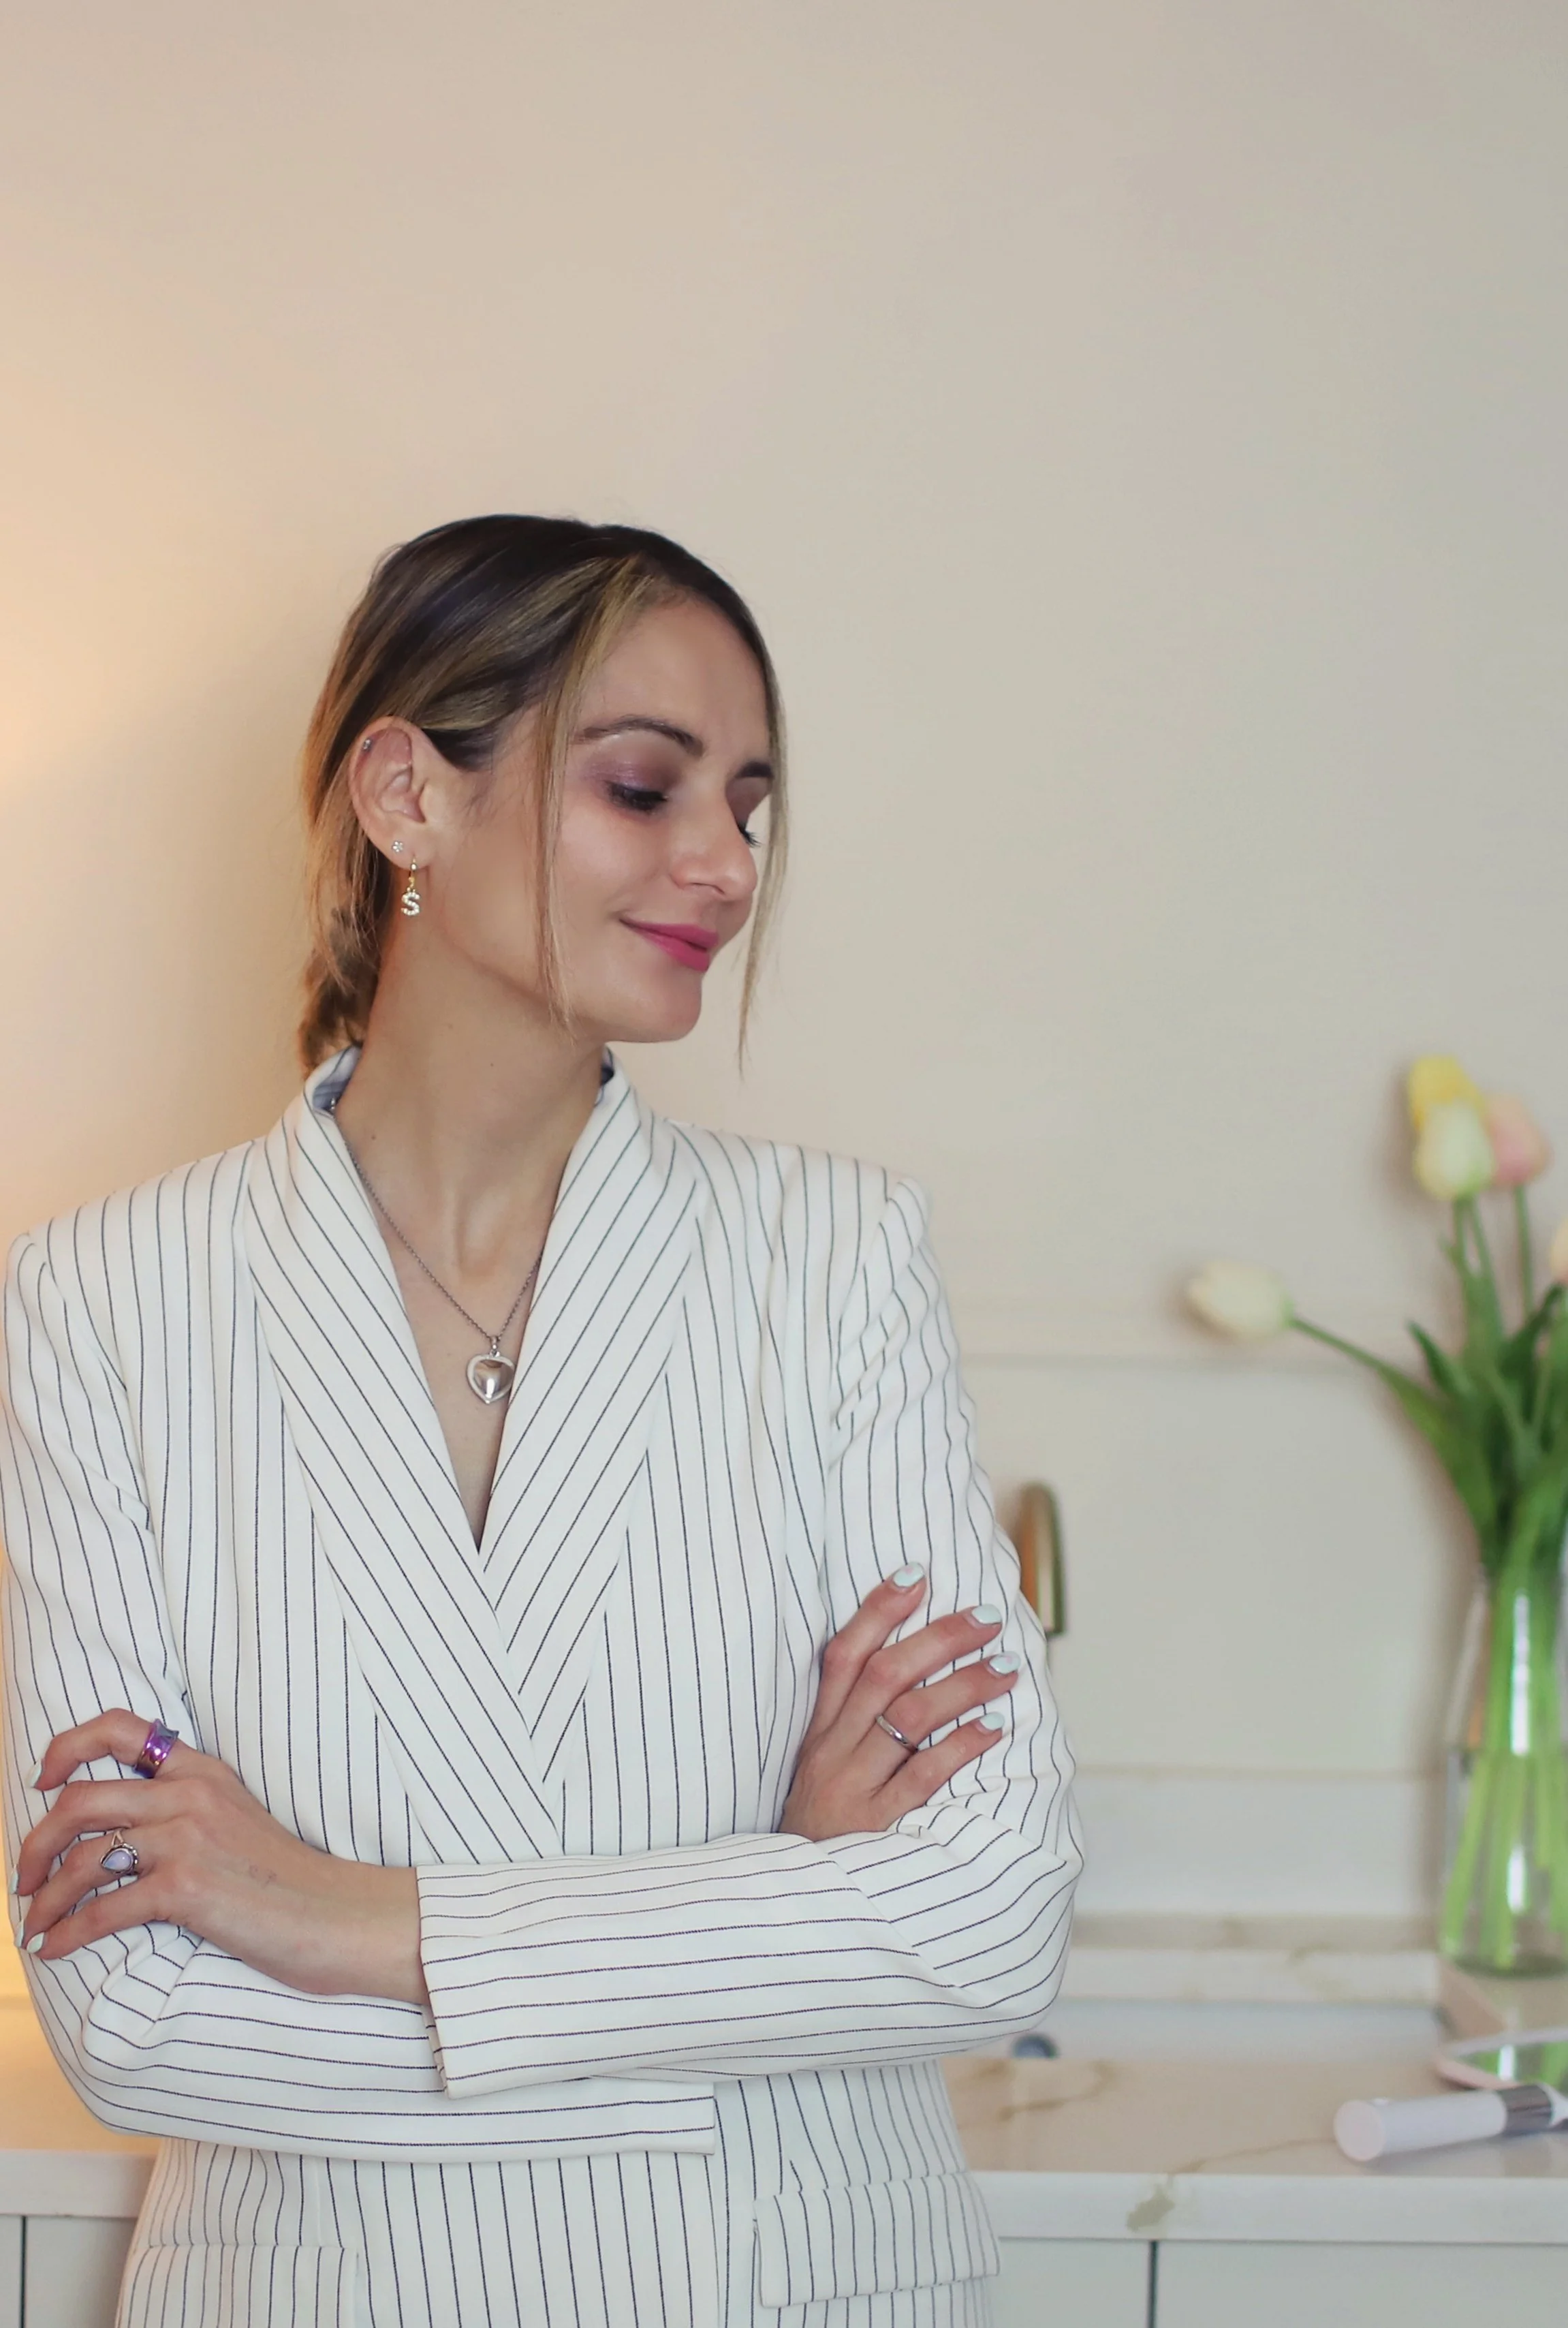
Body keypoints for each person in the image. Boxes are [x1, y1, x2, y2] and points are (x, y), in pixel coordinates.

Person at [1, 515, 1081, 2328]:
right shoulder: (107, 1303)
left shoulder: (830, 1260)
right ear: (404, 799)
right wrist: (775, 1920)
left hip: (797, 2288)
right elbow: (145, 2024)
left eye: (748, 802)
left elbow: (981, 1921)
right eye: (645, 787)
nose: (724, 864)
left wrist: (347, 1918)